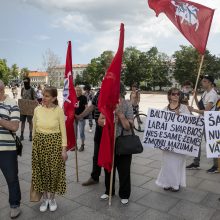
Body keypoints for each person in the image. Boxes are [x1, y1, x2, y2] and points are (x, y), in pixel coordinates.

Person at [32, 86, 68, 212]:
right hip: (40, 144)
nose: (44, 98)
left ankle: (52, 198)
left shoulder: (58, 110)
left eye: (47, 96)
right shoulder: (37, 109)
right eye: (43, 95)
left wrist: (64, 149)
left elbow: (63, 131)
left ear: (53, 98)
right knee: (42, 172)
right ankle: (45, 198)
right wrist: (34, 146)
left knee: (53, 172)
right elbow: (34, 129)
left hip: (55, 144)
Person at [98, 83, 134, 205]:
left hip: (123, 141)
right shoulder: (108, 104)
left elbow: (128, 126)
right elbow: (100, 121)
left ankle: (124, 194)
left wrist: (120, 115)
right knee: (108, 168)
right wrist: (108, 121)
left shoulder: (127, 104)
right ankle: (109, 191)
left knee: (124, 170)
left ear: (120, 91)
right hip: (109, 141)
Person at [156, 88, 190, 192]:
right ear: (169, 96)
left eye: (178, 94)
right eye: (173, 94)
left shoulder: (184, 108)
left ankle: (175, 184)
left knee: (177, 163)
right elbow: (160, 124)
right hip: (167, 143)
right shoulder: (165, 109)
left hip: (179, 142)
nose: (176, 95)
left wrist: (182, 117)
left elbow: (190, 123)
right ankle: (166, 182)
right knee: (167, 163)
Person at [187, 75, 219, 173]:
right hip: (201, 121)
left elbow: (206, 111)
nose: (202, 82)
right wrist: (195, 97)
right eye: (202, 81)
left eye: (204, 81)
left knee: (212, 142)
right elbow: (200, 106)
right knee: (196, 141)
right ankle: (196, 163)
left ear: (210, 83)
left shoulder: (213, 94)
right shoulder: (205, 93)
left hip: (209, 122)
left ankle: (216, 166)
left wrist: (193, 110)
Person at [0, 80, 21, 219]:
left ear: (1, 90)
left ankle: (14, 205)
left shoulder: (12, 103)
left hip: (6, 149)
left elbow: (14, 127)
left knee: (11, 178)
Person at [76, 90, 103, 186]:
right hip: (99, 128)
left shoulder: (116, 88)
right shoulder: (100, 91)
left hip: (110, 129)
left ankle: (110, 181)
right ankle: (94, 177)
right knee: (96, 155)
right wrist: (80, 116)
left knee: (110, 156)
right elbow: (92, 106)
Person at [20, 77, 37, 141]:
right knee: (22, 122)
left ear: (29, 82)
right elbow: (22, 97)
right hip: (23, 107)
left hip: (29, 108)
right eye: (24, 82)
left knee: (30, 122)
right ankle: (21, 135)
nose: (25, 83)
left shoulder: (32, 89)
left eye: (26, 82)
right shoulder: (22, 89)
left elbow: (35, 99)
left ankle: (30, 135)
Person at [75, 86, 88, 152]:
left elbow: (86, 107)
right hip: (74, 117)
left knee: (81, 132)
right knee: (74, 132)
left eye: (79, 90)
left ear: (81, 91)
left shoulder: (84, 98)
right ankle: (75, 145)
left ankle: (82, 145)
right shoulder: (73, 97)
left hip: (81, 117)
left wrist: (81, 115)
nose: (77, 92)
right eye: (76, 90)